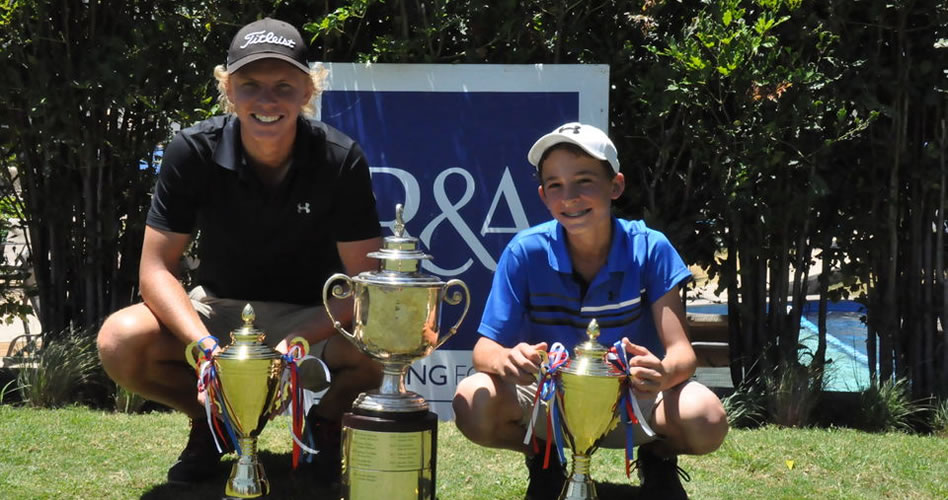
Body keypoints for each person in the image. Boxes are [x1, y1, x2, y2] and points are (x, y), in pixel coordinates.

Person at [96, 18, 383, 485]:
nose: (266, 101)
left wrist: (285, 349)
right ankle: (216, 424)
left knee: (382, 347)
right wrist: (207, 349)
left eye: (283, 86)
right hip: (222, 313)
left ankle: (325, 426)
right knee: (120, 341)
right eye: (250, 85)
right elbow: (154, 270)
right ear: (228, 90)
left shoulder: (339, 158)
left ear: (307, 91)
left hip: (314, 316)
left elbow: (364, 287)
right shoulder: (192, 150)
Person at [452, 122, 728, 499]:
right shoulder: (524, 251)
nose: (570, 197)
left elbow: (683, 354)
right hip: (551, 403)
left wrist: (661, 373)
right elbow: (484, 350)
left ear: (615, 185)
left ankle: (657, 457)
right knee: (474, 400)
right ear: (543, 195)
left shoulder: (651, 248)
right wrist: (507, 360)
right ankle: (545, 458)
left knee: (706, 418)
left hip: (631, 400)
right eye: (555, 185)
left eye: (584, 181)